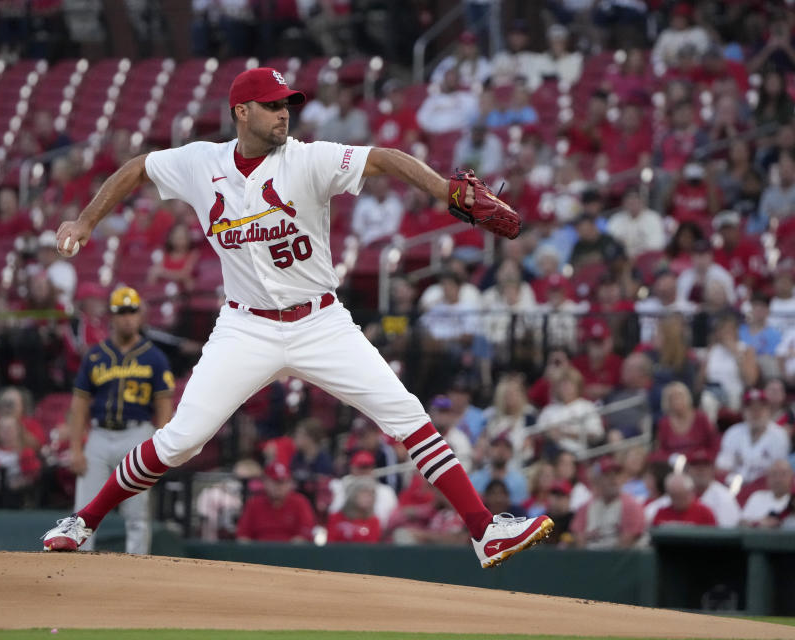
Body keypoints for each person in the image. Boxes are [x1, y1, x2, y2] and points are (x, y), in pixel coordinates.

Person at [42, 67, 554, 568]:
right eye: (271, 106)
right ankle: (83, 520)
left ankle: (485, 531)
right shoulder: (201, 163)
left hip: (320, 322)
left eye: (287, 104)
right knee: (181, 438)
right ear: (241, 112)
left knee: (407, 415)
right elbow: (136, 168)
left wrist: (445, 190)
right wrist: (85, 220)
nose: (283, 114)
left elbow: (384, 159)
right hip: (246, 326)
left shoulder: (309, 159)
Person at [51, 286, 175, 554]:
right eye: (122, 312)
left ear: (140, 316)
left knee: (137, 513)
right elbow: (80, 403)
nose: (127, 318)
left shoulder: (154, 356)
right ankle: (78, 567)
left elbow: (164, 403)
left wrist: (160, 444)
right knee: (83, 510)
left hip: (136, 434)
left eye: (132, 312)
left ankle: (136, 569)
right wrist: (75, 448)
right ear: (112, 316)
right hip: (98, 435)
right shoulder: (95, 355)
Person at [717, 388, 791, 484]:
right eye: (751, 408)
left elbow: (779, 471)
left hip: (765, 488)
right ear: (743, 411)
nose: (756, 413)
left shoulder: (779, 435)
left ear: (768, 409)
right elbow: (722, 467)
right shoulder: (733, 433)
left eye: (760, 408)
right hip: (734, 485)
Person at [569, 458, 645, 549]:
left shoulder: (631, 506)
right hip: (589, 557)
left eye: (617, 474)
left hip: (619, 560)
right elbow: (577, 537)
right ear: (597, 480)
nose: (613, 479)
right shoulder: (586, 507)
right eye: (607, 475)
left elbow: (626, 542)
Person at [236, 461, 315, 543]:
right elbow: (242, 535)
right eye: (274, 482)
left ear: (290, 483)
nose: (279, 487)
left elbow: (306, 533)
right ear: (265, 482)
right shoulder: (253, 503)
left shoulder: (300, 502)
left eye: (282, 482)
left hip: (291, 553)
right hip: (259, 553)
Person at [328, 450, 398, 528]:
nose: (363, 472)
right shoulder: (339, 486)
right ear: (352, 468)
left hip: (377, 536)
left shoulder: (386, 491)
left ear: (372, 468)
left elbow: (392, 521)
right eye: (360, 468)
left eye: (367, 467)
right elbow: (333, 514)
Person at [655, 382, 720, 460]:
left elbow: (714, 443)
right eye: (672, 398)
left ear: (687, 397)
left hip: (700, 463)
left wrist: (704, 456)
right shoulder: (664, 423)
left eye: (680, 396)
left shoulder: (701, 418)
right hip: (674, 466)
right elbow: (661, 450)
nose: (677, 401)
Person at [326, 476, 382, 544]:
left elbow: (372, 546)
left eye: (370, 495)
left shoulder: (374, 521)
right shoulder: (335, 518)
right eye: (363, 494)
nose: (367, 499)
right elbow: (330, 543)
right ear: (353, 495)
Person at [741, 460, 794, 528]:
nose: (778, 479)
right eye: (774, 474)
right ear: (767, 478)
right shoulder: (757, 497)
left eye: (783, 474)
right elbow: (741, 522)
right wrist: (758, 523)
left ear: (791, 477)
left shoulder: (793, 501)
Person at [652, 473, 718, 527]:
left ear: (690, 493)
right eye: (674, 496)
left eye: (680, 496)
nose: (677, 500)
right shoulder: (662, 513)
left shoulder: (704, 513)